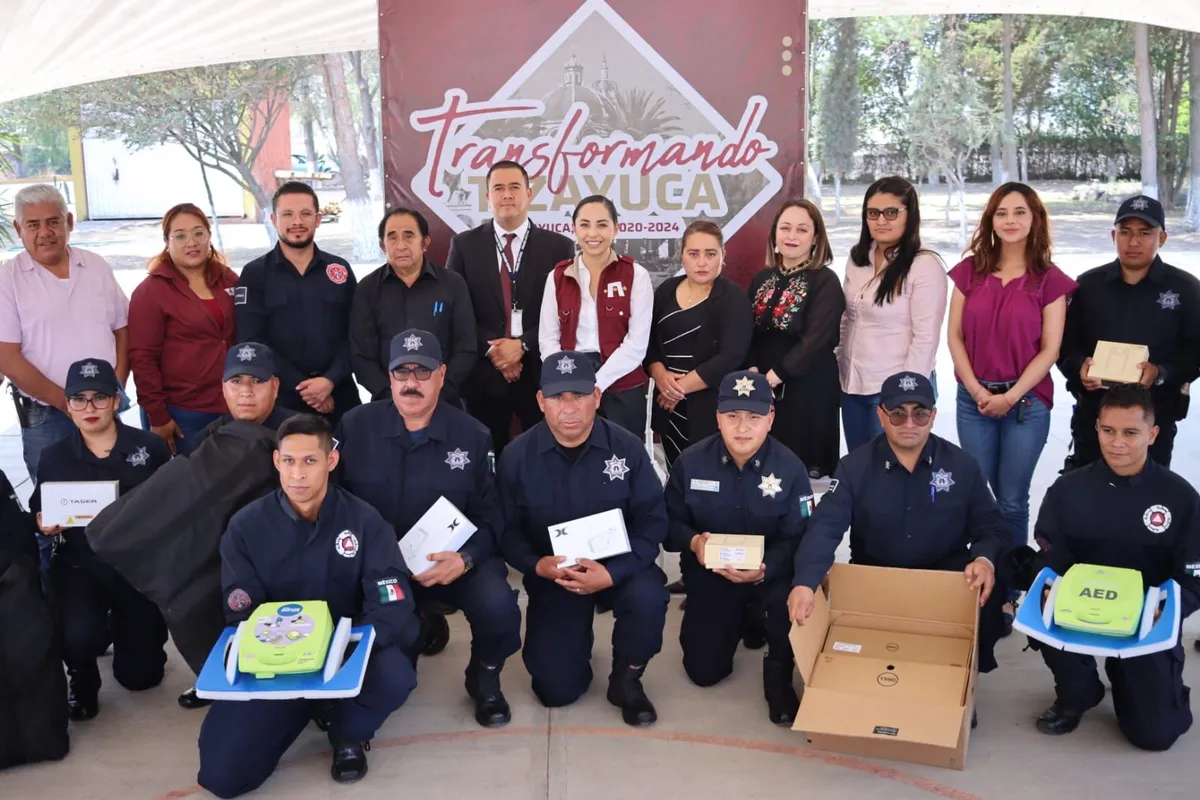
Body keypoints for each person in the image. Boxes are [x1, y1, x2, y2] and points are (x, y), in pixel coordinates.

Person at [196, 414, 421, 797]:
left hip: (345, 657)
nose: (298, 473)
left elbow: (391, 599)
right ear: (276, 462)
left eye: (310, 461)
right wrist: (290, 658)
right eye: (289, 461)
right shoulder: (246, 527)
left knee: (396, 675)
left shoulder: (365, 522)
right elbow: (242, 611)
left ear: (331, 461)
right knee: (222, 777)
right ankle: (305, 707)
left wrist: (339, 654)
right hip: (278, 664)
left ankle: (347, 732)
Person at [334, 329, 522, 728]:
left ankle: (484, 676)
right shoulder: (355, 426)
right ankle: (414, 629)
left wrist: (466, 559)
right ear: (388, 378)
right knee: (393, 668)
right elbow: (335, 504)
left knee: (500, 607)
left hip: (450, 561)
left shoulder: (472, 435)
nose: (411, 383)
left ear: (442, 375)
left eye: (423, 372)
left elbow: (493, 517)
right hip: (379, 568)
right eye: (402, 373)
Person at [788, 371, 1009, 679]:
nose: (909, 424)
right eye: (897, 414)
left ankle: (966, 677)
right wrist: (805, 582)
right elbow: (825, 526)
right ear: (881, 415)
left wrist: (984, 559)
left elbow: (992, 525)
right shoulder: (854, 467)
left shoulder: (962, 465)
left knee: (989, 587)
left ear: (933, 416)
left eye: (919, 414)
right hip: (877, 577)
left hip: (944, 579)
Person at [498, 351, 669, 726]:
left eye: (578, 395)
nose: (569, 408)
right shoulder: (516, 457)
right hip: (555, 575)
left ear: (597, 396)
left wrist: (613, 573)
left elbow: (653, 523)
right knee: (556, 692)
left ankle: (627, 676)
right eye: (558, 397)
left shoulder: (627, 449)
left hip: (618, 570)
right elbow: (505, 530)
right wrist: (536, 565)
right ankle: (571, 646)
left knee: (648, 596)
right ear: (541, 401)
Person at [1029, 385, 1198, 751]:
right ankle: (1079, 690)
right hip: (1079, 611)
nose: (1117, 443)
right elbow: (1050, 556)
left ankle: (1152, 682)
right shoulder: (1067, 490)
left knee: (1155, 736)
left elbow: (1193, 577)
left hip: (1144, 622)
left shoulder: (1180, 498)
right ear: (1097, 429)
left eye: (1130, 432)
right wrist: (1046, 587)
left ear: (1152, 435)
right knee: (1042, 607)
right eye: (1108, 431)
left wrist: (1164, 611)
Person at [948, 183, 1076, 624]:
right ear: (991, 221)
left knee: (1012, 501)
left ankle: (1010, 588)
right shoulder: (969, 273)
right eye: (1002, 213)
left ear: (1035, 220)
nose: (1010, 220)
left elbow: (1051, 349)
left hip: (1027, 403)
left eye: (1020, 212)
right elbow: (955, 337)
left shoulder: (1051, 281)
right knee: (980, 497)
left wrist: (1010, 395)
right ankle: (981, 582)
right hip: (974, 398)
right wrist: (980, 392)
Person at [664, 370, 813, 724]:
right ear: (718, 418)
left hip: (769, 575)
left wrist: (767, 569)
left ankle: (777, 671)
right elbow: (667, 525)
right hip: (712, 574)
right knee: (704, 672)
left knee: (785, 603)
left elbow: (801, 536)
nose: (742, 428)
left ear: (771, 419)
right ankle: (744, 618)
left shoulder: (791, 469)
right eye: (732, 416)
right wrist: (694, 541)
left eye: (754, 417)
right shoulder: (691, 462)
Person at [28, 358, 172, 720]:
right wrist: (42, 522)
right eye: (79, 399)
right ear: (67, 404)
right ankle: (82, 675)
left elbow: (176, 504)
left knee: (142, 677)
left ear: (116, 400)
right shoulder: (54, 457)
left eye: (99, 398)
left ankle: (116, 627)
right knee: (78, 636)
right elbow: (38, 509)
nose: (89, 408)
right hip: (80, 565)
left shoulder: (150, 448)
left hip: (135, 568)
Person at [176, 341, 299, 711]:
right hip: (225, 551)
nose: (246, 391)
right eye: (236, 381)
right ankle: (214, 670)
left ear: (275, 387)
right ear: (223, 388)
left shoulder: (302, 432)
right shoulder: (205, 441)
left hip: (291, 547)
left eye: (257, 381)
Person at [1059, 195, 1200, 469]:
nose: (1133, 242)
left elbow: (1195, 353)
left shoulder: (1186, 289)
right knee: (1087, 496)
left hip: (1154, 417)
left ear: (1162, 238)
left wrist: (1160, 373)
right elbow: (1064, 346)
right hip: (1095, 416)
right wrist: (1079, 368)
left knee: (1147, 497)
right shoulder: (1087, 286)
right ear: (1114, 235)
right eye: (1125, 232)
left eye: (1145, 233)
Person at [0, 184, 130, 480]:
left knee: (116, 493)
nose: (44, 232)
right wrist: (67, 403)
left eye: (53, 222)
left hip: (105, 408)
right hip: (47, 415)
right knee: (58, 503)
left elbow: (122, 328)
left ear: (69, 223)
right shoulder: (7, 280)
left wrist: (116, 385)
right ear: (19, 228)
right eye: (33, 225)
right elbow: (6, 356)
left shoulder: (95, 266)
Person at [447, 160, 575, 454]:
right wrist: (494, 349)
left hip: (538, 371)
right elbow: (459, 310)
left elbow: (564, 311)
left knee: (543, 453)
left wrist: (523, 345)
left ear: (529, 194)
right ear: (487, 197)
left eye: (514, 187)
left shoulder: (558, 247)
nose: (507, 195)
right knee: (485, 455)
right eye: (498, 188)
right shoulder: (464, 245)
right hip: (483, 372)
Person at [235, 182, 360, 424]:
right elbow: (252, 340)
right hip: (281, 398)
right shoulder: (254, 274)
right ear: (274, 219)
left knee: (349, 459)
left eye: (305, 213)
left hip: (340, 393)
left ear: (318, 218)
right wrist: (305, 389)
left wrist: (330, 381)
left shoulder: (339, 270)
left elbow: (357, 333)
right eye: (287, 214)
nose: (297, 222)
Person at [839, 177, 947, 451]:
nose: (881, 221)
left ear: (910, 215)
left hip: (894, 389)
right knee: (860, 469)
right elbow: (846, 319)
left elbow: (925, 339)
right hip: (851, 384)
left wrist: (906, 396)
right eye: (873, 213)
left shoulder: (924, 266)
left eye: (891, 212)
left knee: (894, 474)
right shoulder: (858, 258)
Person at [128, 203, 238, 455]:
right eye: (180, 236)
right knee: (190, 489)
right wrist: (157, 415)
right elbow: (142, 358)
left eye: (199, 233)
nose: (192, 242)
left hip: (232, 405)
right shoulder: (151, 292)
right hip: (182, 413)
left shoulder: (228, 278)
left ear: (209, 236)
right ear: (167, 241)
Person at [539, 196, 653, 438]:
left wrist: (596, 383)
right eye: (585, 224)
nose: (593, 233)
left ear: (616, 228)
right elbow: (548, 339)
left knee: (623, 459)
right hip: (569, 382)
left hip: (621, 382)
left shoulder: (635, 274)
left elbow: (637, 344)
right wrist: (569, 379)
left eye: (602, 224)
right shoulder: (557, 276)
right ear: (574, 229)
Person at [747, 199, 844, 478]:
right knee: (762, 470)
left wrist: (775, 377)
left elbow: (818, 339)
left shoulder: (825, 281)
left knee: (799, 476)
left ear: (815, 238)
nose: (792, 236)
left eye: (802, 230)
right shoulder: (762, 278)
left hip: (808, 391)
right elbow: (744, 329)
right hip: (762, 387)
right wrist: (754, 371)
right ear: (774, 234)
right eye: (785, 228)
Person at [646, 221, 753, 464]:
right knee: (675, 475)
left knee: (708, 476)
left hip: (710, 408)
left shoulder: (733, 298)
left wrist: (678, 389)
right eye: (693, 254)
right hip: (667, 407)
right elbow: (649, 343)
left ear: (723, 256)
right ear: (682, 256)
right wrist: (660, 374)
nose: (702, 262)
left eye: (710, 254)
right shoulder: (666, 290)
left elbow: (731, 356)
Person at [350, 208, 476, 406]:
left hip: (444, 400)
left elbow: (466, 348)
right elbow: (361, 356)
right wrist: (392, 397)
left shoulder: (452, 284)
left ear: (425, 243)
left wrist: (439, 392)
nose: (400, 245)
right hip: (387, 403)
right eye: (392, 238)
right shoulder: (367, 289)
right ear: (383, 246)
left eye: (409, 236)